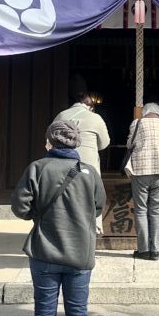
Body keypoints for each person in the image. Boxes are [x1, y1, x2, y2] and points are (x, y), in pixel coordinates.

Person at [11, 117, 106, 316]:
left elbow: (20, 207)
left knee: (43, 313)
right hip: (79, 252)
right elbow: (98, 207)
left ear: (50, 141)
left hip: (44, 251)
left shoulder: (37, 168)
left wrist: (36, 215)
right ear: (76, 142)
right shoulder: (89, 172)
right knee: (77, 314)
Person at [125, 101, 159, 260]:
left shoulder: (137, 123)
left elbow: (129, 144)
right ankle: (156, 250)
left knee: (141, 209)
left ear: (145, 113)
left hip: (140, 171)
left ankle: (143, 250)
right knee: (157, 209)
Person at [54, 90, 110, 235]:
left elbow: (51, 137)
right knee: (89, 196)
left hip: (62, 161)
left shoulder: (61, 115)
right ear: (90, 106)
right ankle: (91, 228)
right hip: (87, 163)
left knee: (64, 194)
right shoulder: (95, 118)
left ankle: (64, 228)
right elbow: (104, 143)